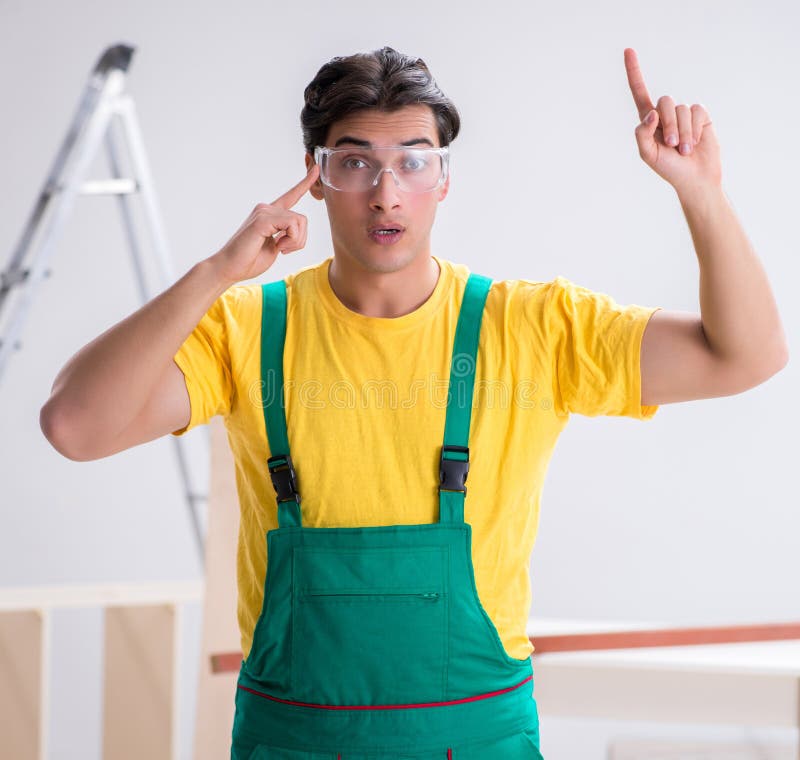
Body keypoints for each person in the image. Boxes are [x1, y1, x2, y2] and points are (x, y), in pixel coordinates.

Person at [39, 46, 788, 759]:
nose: (386, 192)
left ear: (445, 177)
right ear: (317, 174)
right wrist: (215, 272)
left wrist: (701, 195)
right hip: (291, 741)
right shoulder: (245, 333)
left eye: (413, 162)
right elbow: (75, 424)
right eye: (355, 162)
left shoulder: (532, 329)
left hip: (477, 739)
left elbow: (747, 355)